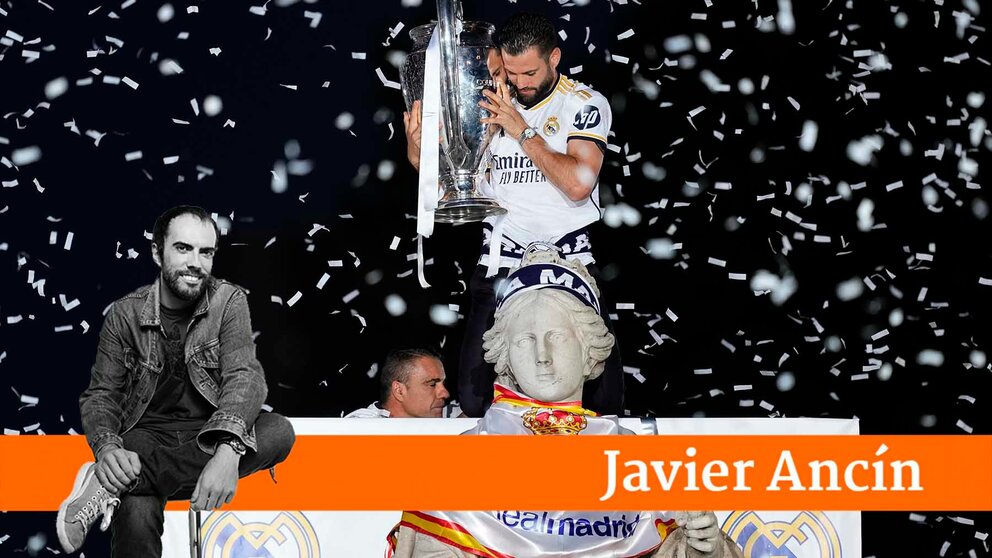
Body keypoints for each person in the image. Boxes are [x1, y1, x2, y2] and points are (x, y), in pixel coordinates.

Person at [388, 247, 742, 557]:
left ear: (589, 348)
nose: (543, 356)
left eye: (556, 336)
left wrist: (703, 549)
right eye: (526, 340)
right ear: (505, 355)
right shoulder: (455, 468)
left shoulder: (639, 467)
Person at [404, 12, 623, 417]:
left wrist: (522, 130)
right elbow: (449, 191)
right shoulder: (488, 103)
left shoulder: (583, 104)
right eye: (510, 72)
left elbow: (578, 183)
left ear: (554, 57)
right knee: (473, 398)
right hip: (501, 261)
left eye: (529, 72)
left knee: (604, 398)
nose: (519, 83)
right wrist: (420, 155)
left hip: (568, 261)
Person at [56, 205, 296, 557]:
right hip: (146, 437)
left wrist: (229, 451)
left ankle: (109, 486)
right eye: (183, 248)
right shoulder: (125, 313)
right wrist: (108, 449)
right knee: (136, 505)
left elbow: (245, 377)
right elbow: (101, 395)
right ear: (157, 252)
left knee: (279, 432)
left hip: (209, 436)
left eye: (206, 252)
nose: (195, 262)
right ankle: (120, 478)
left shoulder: (229, 302)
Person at [346, 347, 451, 418]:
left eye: (443, 384)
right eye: (432, 384)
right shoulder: (360, 429)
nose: (445, 393)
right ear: (399, 391)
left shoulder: (449, 414)